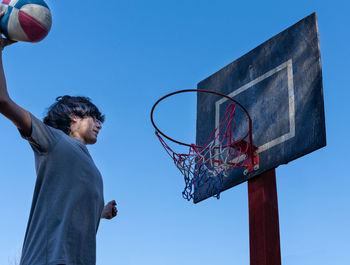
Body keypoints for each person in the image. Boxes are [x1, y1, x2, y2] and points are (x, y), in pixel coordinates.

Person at [0, 12, 117, 265]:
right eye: (94, 118)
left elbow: (71, 211)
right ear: (74, 118)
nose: (99, 124)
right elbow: (2, 100)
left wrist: (101, 213)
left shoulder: (93, 170)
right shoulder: (53, 141)